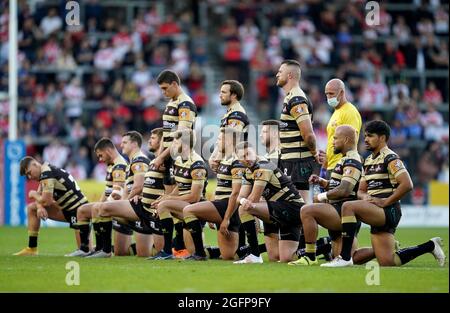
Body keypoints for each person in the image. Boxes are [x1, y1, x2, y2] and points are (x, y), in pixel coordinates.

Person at [322, 120, 446, 267]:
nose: (366, 139)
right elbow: (361, 190)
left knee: (348, 207)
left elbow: (407, 184)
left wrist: (386, 202)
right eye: (365, 136)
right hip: (377, 210)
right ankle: (430, 246)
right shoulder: (368, 160)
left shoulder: (390, 158)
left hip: (388, 210)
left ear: (382, 138)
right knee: (388, 261)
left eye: (370, 136)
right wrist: (365, 197)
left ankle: (344, 257)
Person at [288, 125, 366, 265]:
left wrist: (321, 197)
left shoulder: (352, 160)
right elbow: (340, 185)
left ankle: (310, 256)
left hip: (342, 211)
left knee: (306, 211)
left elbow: (345, 190)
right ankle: (384, 251)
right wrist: (323, 182)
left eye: (336, 138)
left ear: (346, 139)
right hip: (339, 210)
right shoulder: (345, 159)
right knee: (348, 256)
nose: (332, 142)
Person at [87, 128, 166, 257]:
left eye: (124, 142)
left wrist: (126, 201)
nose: (121, 145)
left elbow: (138, 186)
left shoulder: (139, 160)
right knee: (122, 252)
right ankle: (105, 249)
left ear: (134, 144)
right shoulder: (132, 162)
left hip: (143, 207)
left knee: (101, 208)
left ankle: (104, 250)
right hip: (137, 206)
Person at [234, 142, 305, 264]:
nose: (247, 158)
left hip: (292, 207)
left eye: (248, 154)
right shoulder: (247, 171)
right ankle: (323, 246)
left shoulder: (263, 166)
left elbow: (254, 199)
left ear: (254, 152)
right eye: (243, 156)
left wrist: (251, 211)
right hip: (278, 209)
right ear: (238, 159)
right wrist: (242, 201)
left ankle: (255, 254)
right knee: (281, 258)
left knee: (244, 210)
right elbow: (239, 197)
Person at [182, 127, 245, 260]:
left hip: (228, 206)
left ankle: (199, 253)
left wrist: (226, 218)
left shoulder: (236, 162)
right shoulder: (224, 160)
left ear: (228, 141)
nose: (217, 143)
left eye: (219, 139)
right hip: (221, 206)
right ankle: (255, 249)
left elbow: (235, 193)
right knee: (228, 255)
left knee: (188, 210)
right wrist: (211, 215)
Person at [153, 69, 198, 257]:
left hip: (178, 157)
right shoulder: (171, 103)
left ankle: (179, 247)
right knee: (167, 201)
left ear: (174, 84)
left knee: (176, 200)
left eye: (165, 88)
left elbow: (181, 136)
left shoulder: (185, 103)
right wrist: (161, 153)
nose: (163, 93)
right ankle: (174, 247)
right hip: (169, 156)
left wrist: (162, 157)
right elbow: (167, 134)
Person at [150, 129, 208, 260]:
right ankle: (169, 250)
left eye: (176, 141)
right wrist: (165, 197)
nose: (173, 145)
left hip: (197, 207)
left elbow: (195, 197)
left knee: (164, 206)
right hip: (184, 206)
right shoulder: (178, 161)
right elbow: (179, 187)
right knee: (162, 204)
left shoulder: (197, 164)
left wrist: (168, 199)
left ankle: (167, 251)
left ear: (185, 144)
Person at [14, 156, 90, 256]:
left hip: (78, 210)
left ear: (35, 164)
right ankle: (32, 248)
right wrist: (40, 207)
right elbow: (40, 195)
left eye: (29, 173)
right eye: (27, 175)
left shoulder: (46, 173)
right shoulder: (45, 170)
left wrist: (33, 194)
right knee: (32, 208)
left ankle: (107, 248)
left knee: (86, 251)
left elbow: (46, 201)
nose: (29, 177)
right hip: (68, 209)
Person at [75, 137, 128, 257]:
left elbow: (117, 193)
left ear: (108, 151)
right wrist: (100, 202)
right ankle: (85, 249)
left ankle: (104, 249)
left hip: (121, 204)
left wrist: (101, 206)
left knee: (96, 208)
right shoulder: (111, 164)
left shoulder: (119, 165)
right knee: (82, 210)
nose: (100, 159)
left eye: (100, 155)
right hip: (112, 204)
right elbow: (108, 189)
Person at [276, 59, 319, 203]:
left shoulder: (296, 99)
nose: (277, 74)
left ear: (289, 76)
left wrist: (314, 153)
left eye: (280, 72)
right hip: (291, 160)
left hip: (298, 161)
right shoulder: (290, 97)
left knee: (301, 206)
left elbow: (307, 133)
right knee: (293, 205)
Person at [323, 78, 362, 179]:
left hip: (342, 166)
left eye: (331, 94)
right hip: (331, 166)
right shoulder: (336, 112)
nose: (328, 97)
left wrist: (346, 166)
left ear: (341, 92)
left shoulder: (350, 112)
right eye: (326, 94)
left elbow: (352, 141)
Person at [208, 80, 249, 172]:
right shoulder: (229, 114)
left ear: (234, 95)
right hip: (228, 161)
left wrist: (217, 159)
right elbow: (222, 138)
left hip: (235, 162)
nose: (220, 95)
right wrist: (213, 157)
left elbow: (231, 139)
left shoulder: (237, 114)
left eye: (224, 92)